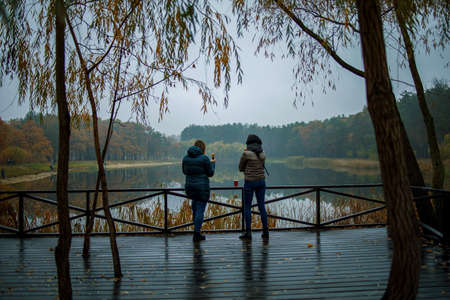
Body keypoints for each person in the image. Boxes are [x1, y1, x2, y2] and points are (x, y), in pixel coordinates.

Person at [182, 140, 216, 242]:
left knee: (196, 209)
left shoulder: (186, 158)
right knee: (200, 210)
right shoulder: (204, 159)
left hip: (190, 188)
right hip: (202, 188)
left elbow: (184, 171)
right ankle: (197, 234)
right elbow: (210, 173)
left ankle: (196, 230)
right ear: (203, 149)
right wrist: (213, 164)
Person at [238, 134, 269, 240]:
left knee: (247, 207)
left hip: (250, 182)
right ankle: (265, 231)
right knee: (262, 206)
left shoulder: (246, 154)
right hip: (261, 182)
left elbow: (240, 167)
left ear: (248, 143)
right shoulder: (262, 154)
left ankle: (248, 233)